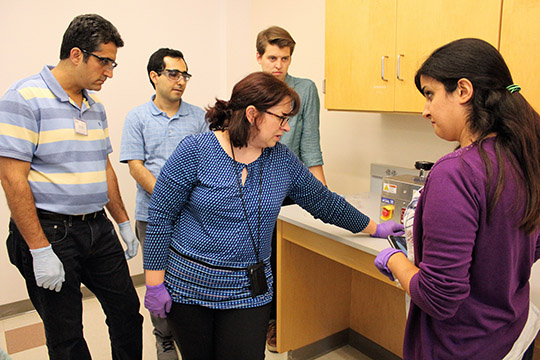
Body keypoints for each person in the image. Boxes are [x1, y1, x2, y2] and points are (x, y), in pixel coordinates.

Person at [142, 72, 404, 360]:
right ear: (253, 114)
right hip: (190, 286)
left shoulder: (282, 160)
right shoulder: (195, 151)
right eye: (281, 118)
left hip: (248, 290)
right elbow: (161, 216)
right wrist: (154, 283)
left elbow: (325, 203)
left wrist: (374, 228)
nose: (287, 127)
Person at [374, 38, 540, 359]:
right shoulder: (524, 156)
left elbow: (439, 298)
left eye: (430, 94)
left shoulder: (456, 172)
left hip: (460, 346)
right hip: (512, 334)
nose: (425, 110)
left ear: (463, 91)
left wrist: (394, 261)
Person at [0, 14, 143, 360]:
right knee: (66, 336)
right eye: (104, 61)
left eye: (113, 63)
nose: (110, 72)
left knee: (127, 314)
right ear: (76, 54)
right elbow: (11, 177)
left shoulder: (94, 107)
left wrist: (122, 222)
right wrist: (38, 249)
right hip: (50, 232)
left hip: (97, 227)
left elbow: (103, 166)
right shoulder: (24, 97)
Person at [120, 47, 208, 360]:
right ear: (154, 76)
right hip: (152, 216)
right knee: (158, 279)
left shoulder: (199, 117)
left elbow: (207, 163)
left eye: (185, 74)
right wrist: (168, 197)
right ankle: (164, 338)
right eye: (173, 73)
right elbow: (135, 166)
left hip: (192, 215)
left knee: (189, 276)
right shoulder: (138, 117)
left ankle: (190, 334)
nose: (181, 81)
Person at [256, 25, 326, 351]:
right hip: (255, 187)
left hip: (291, 186)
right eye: (272, 57)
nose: (278, 65)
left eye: (284, 58)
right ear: (259, 57)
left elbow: (310, 147)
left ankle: (285, 320)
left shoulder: (305, 90)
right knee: (263, 255)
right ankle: (266, 319)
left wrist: (323, 201)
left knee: (288, 258)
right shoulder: (251, 91)